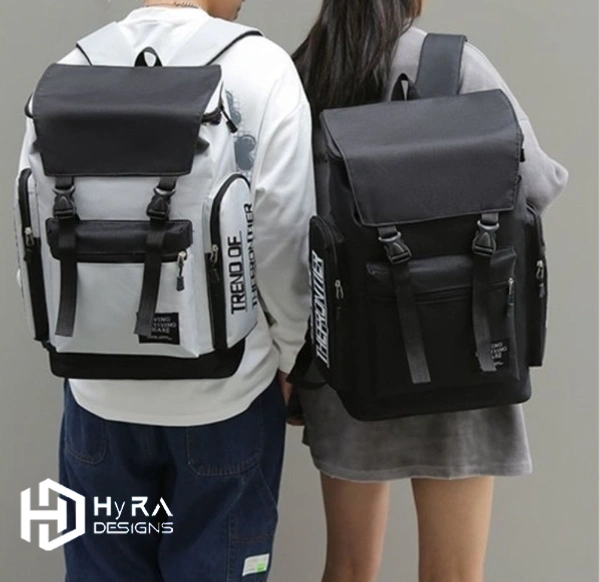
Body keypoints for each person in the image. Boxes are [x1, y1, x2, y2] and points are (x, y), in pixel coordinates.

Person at [16, 1, 315, 580]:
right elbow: (285, 241)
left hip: (97, 399)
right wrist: (290, 357)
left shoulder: (73, 66)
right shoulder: (262, 67)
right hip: (226, 397)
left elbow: (33, 231)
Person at [292, 1, 569, 582]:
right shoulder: (454, 64)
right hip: (463, 352)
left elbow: (279, 228)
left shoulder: (303, 73)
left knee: (347, 570)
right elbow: (538, 186)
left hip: (350, 363)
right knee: (454, 575)